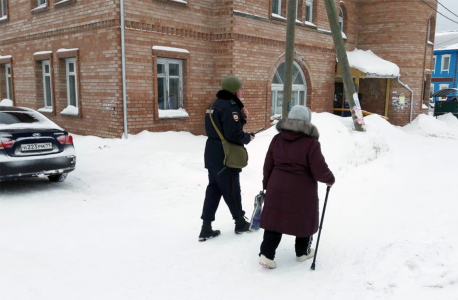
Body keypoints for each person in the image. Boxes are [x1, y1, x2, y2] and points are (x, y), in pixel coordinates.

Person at [258, 105, 335, 269]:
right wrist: (329, 179)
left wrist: (267, 185)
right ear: (307, 122)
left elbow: (268, 165)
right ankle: (302, 252)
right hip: (302, 190)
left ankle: (266, 254)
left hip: (276, 186)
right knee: (304, 219)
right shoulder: (311, 143)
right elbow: (319, 169)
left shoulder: (277, 139)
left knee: (274, 219)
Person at [199, 76, 255, 242]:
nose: (242, 91)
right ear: (234, 91)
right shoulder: (231, 108)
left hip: (212, 152)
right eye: (241, 89)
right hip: (225, 155)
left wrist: (242, 117)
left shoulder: (213, 105)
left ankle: (206, 228)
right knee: (232, 190)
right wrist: (247, 137)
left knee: (214, 190)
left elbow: (222, 129)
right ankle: (240, 223)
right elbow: (233, 134)